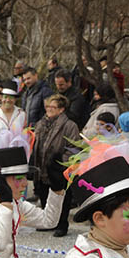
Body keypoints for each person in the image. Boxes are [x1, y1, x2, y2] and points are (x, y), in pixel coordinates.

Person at [31, 94, 80, 237]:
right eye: (48, 106)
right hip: (42, 167)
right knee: (45, 195)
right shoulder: (41, 123)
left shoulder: (70, 125)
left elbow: (74, 148)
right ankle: (48, 222)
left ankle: (62, 224)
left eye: (53, 107)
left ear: (61, 109)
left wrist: (60, 162)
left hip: (59, 168)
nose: (49, 109)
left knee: (62, 198)